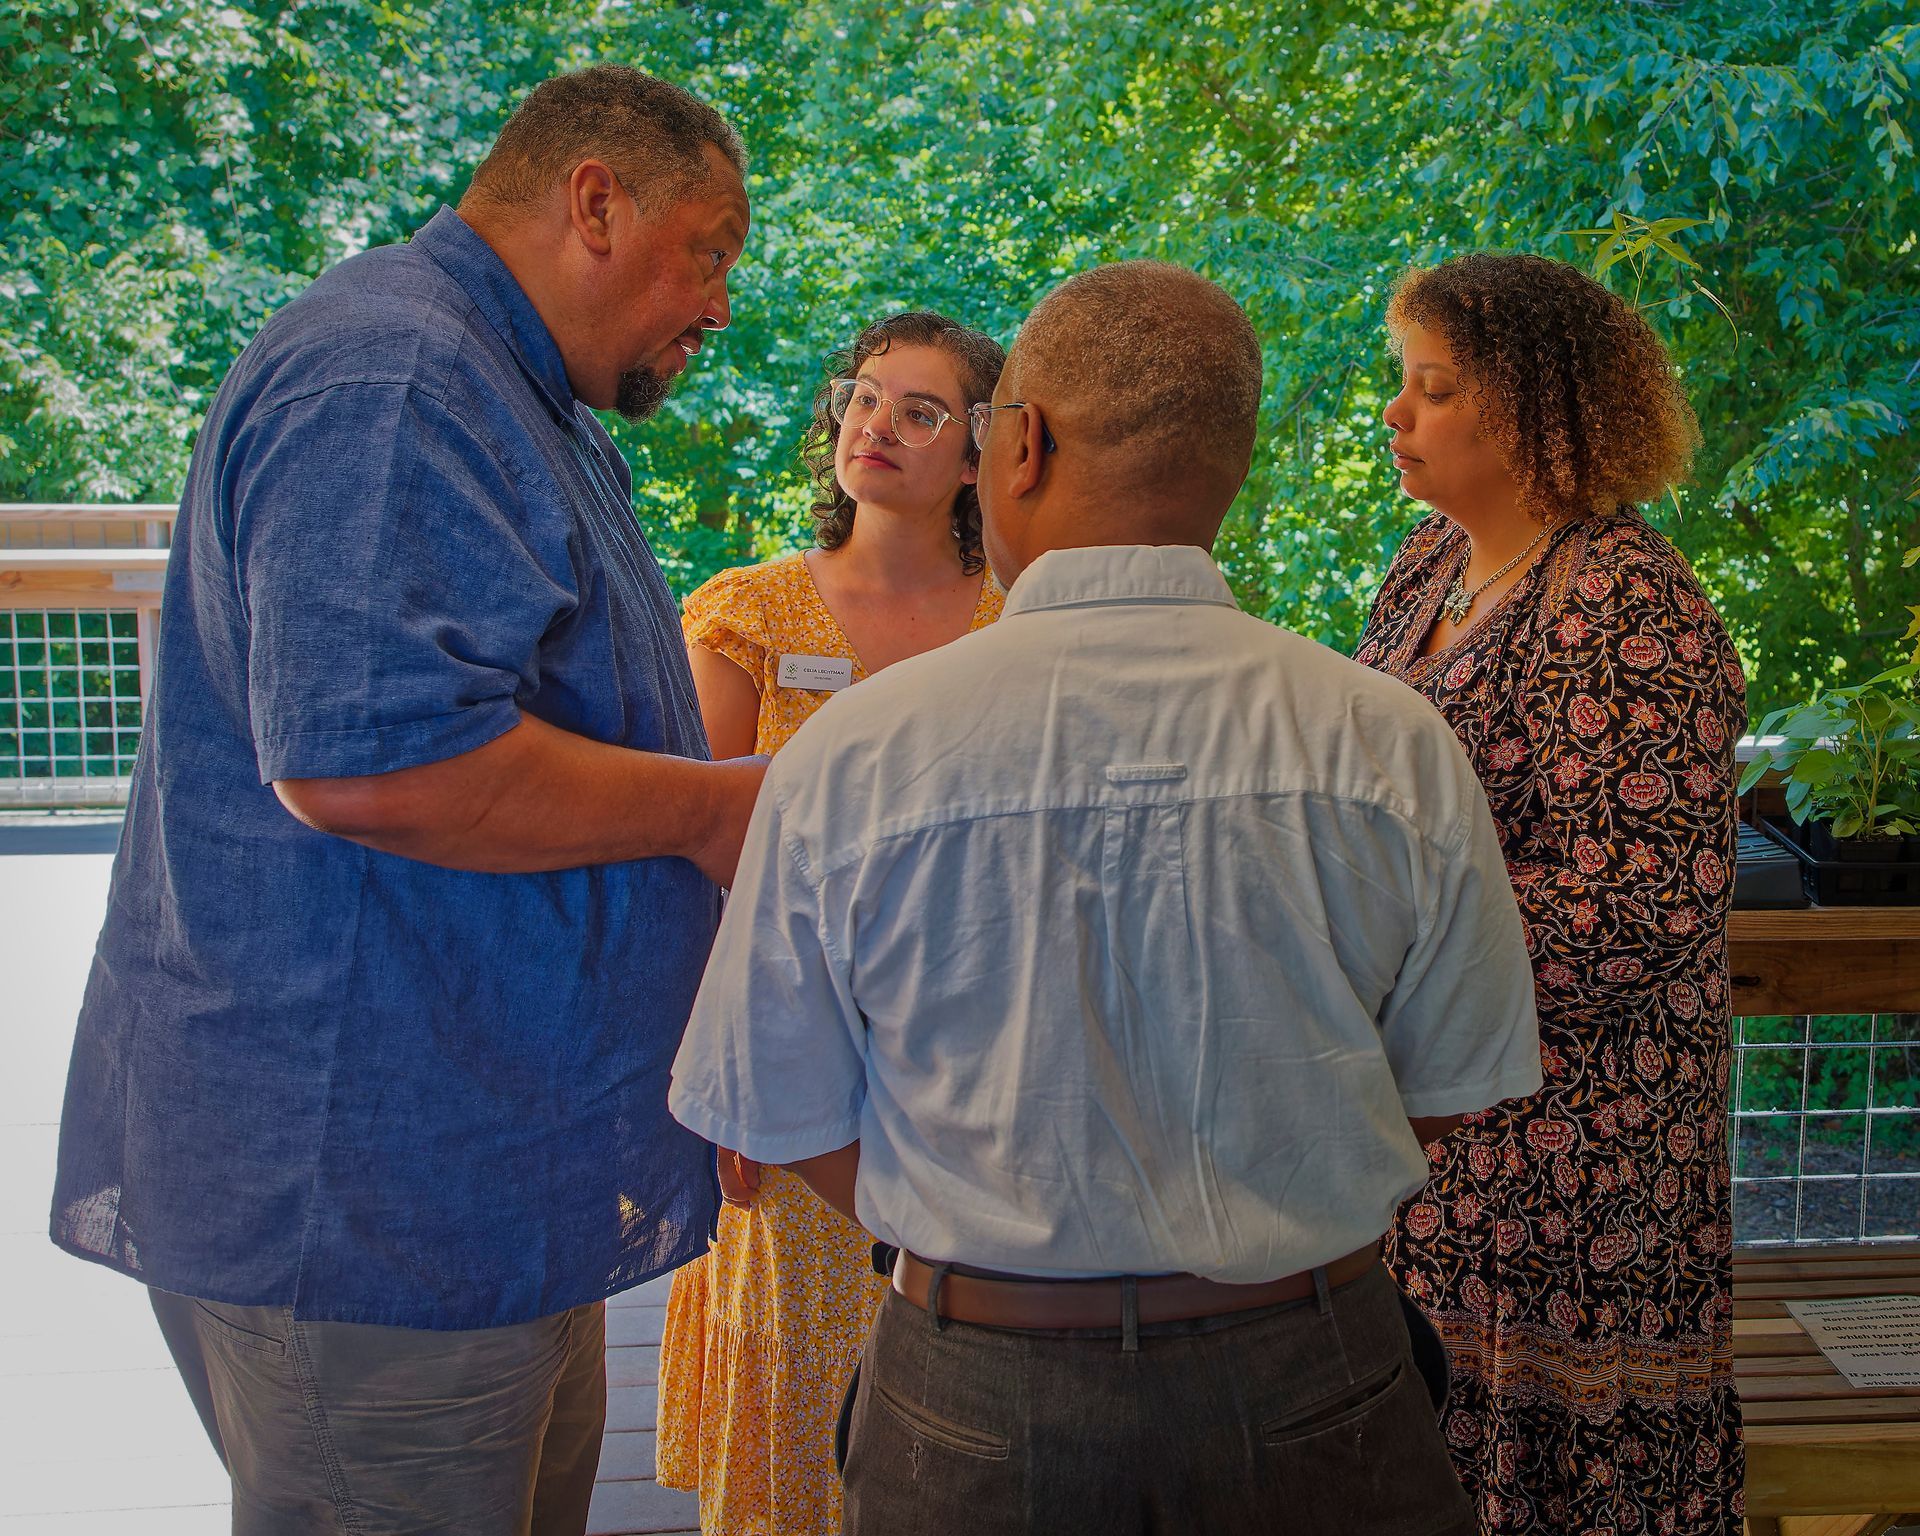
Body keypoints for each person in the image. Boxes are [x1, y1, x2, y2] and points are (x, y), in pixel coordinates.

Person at [666, 260, 1546, 1536]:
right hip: (1316, 1371)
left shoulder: (855, 755)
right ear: (1228, 468)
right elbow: (1455, 1083)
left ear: (1013, 446)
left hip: (976, 1385)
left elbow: (774, 1102)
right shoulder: (1386, 741)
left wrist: (976, 1226)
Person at [49, 66, 762, 1536]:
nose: (719, 307)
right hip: (376, 1191)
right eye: (711, 251)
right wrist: (706, 810)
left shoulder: (499, 384)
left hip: (478, 1174)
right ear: (594, 202)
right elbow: (368, 762)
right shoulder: (398, 378)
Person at [1356, 251, 1748, 1534]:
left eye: (1434, 389)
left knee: (1562, 1478)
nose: (1396, 415)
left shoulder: (1632, 604)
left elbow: (1633, 907)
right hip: (1448, 1117)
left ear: (1536, 410)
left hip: (1583, 1141)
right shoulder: (1429, 564)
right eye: (1400, 384)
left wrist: (1380, 960)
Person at [654, 310, 1007, 1536]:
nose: (878, 427)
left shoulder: (1016, 627)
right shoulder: (748, 613)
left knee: (953, 1409)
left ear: (977, 455)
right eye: (864, 399)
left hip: (963, 1070)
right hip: (787, 1062)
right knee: (797, 1411)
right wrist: (722, 1079)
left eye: (921, 412)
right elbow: (691, 858)